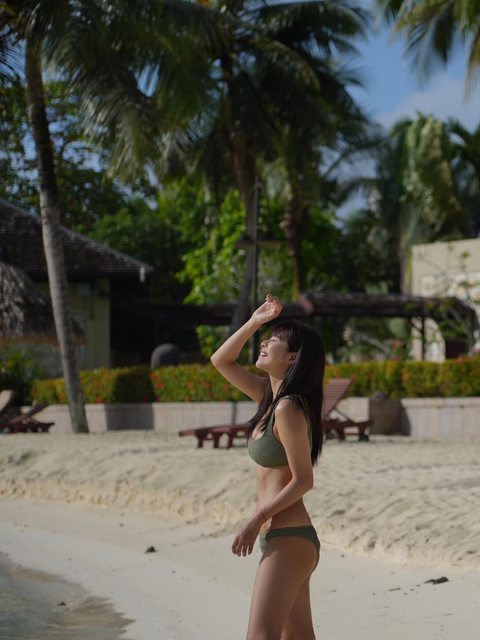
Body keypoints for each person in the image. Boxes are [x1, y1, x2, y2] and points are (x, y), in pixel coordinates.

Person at [211, 293, 325, 640]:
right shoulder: (269, 398)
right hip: (284, 539)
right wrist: (255, 321)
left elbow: (303, 480)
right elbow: (220, 360)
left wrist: (256, 518)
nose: (264, 343)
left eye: (274, 340)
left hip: (288, 537)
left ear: (292, 358)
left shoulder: (288, 408)